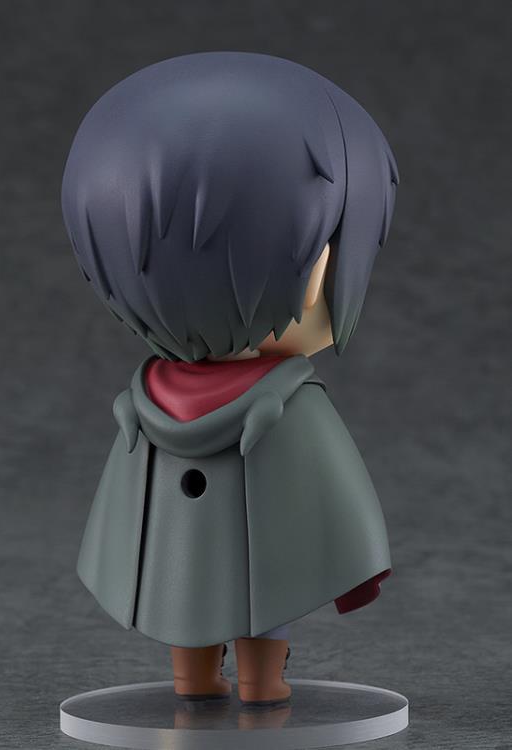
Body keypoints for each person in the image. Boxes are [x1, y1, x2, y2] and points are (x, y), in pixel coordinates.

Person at [61, 51, 399, 706]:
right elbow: (340, 503)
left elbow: (121, 523)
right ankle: (261, 685)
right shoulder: (291, 404)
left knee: (180, 597)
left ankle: (197, 678)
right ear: (317, 270)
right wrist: (357, 564)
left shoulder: (144, 403)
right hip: (264, 566)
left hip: (173, 566)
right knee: (265, 601)